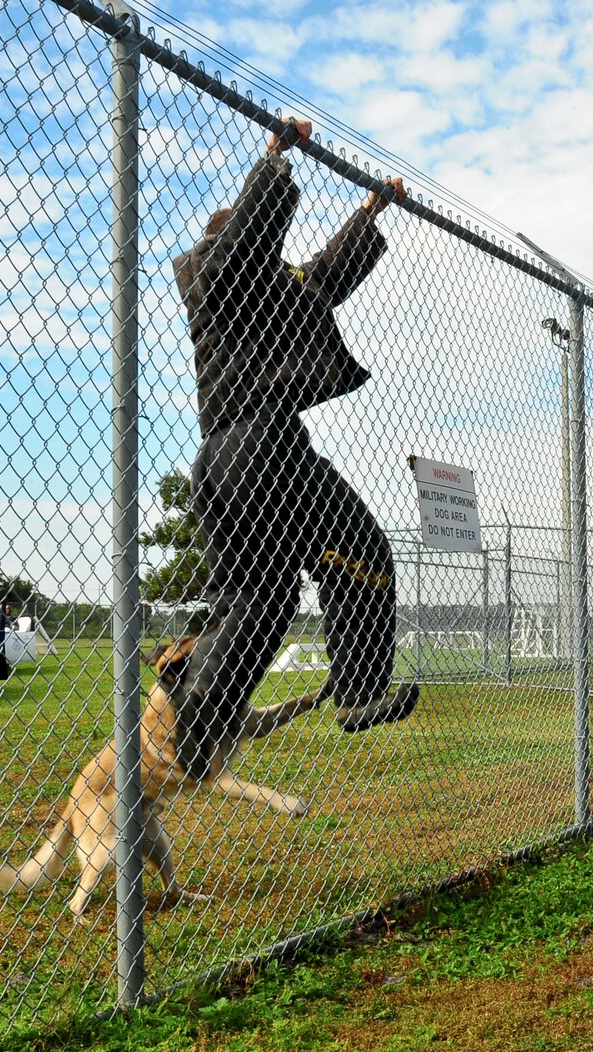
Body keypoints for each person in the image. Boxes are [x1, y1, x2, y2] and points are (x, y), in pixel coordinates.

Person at [170, 119, 419, 782]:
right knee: (360, 547)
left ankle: (203, 708)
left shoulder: (265, 289)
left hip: (225, 461)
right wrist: (274, 163)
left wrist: (368, 213)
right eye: (269, 251)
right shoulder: (212, 273)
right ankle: (361, 692)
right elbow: (246, 251)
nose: (285, 267)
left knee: (263, 593)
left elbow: (323, 277)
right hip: (263, 448)